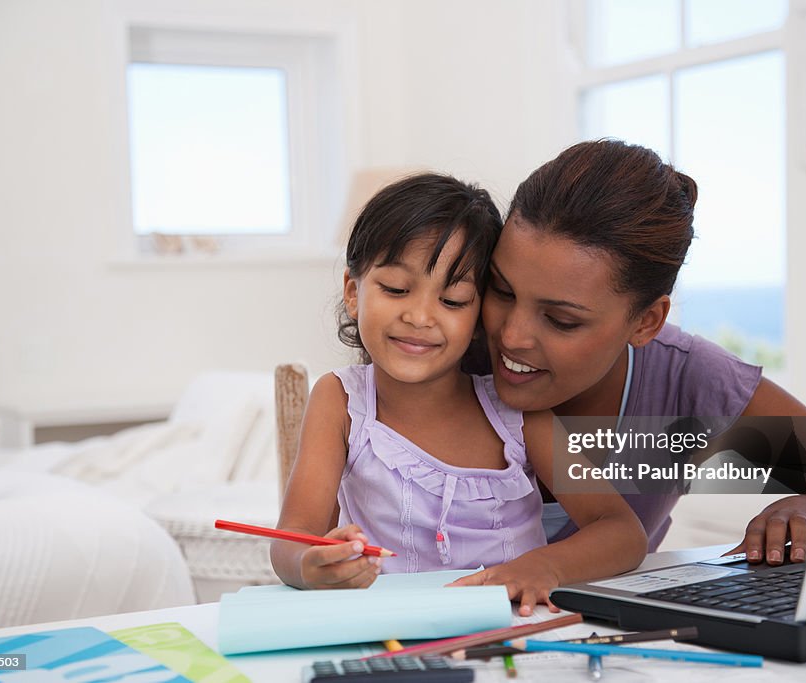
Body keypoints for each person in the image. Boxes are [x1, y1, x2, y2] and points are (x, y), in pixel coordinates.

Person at [270, 172, 647, 615]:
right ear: (354, 293)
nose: (420, 317)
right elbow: (291, 541)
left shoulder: (516, 414)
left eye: (453, 300)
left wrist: (545, 566)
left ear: (480, 311)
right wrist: (312, 564)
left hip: (515, 633)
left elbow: (621, 531)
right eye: (395, 289)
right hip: (393, 636)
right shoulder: (341, 401)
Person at [472, 139, 806, 569]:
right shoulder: (444, 356)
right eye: (501, 290)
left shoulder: (686, 379)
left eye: (562, 320)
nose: (511, 336)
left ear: (646, 322)